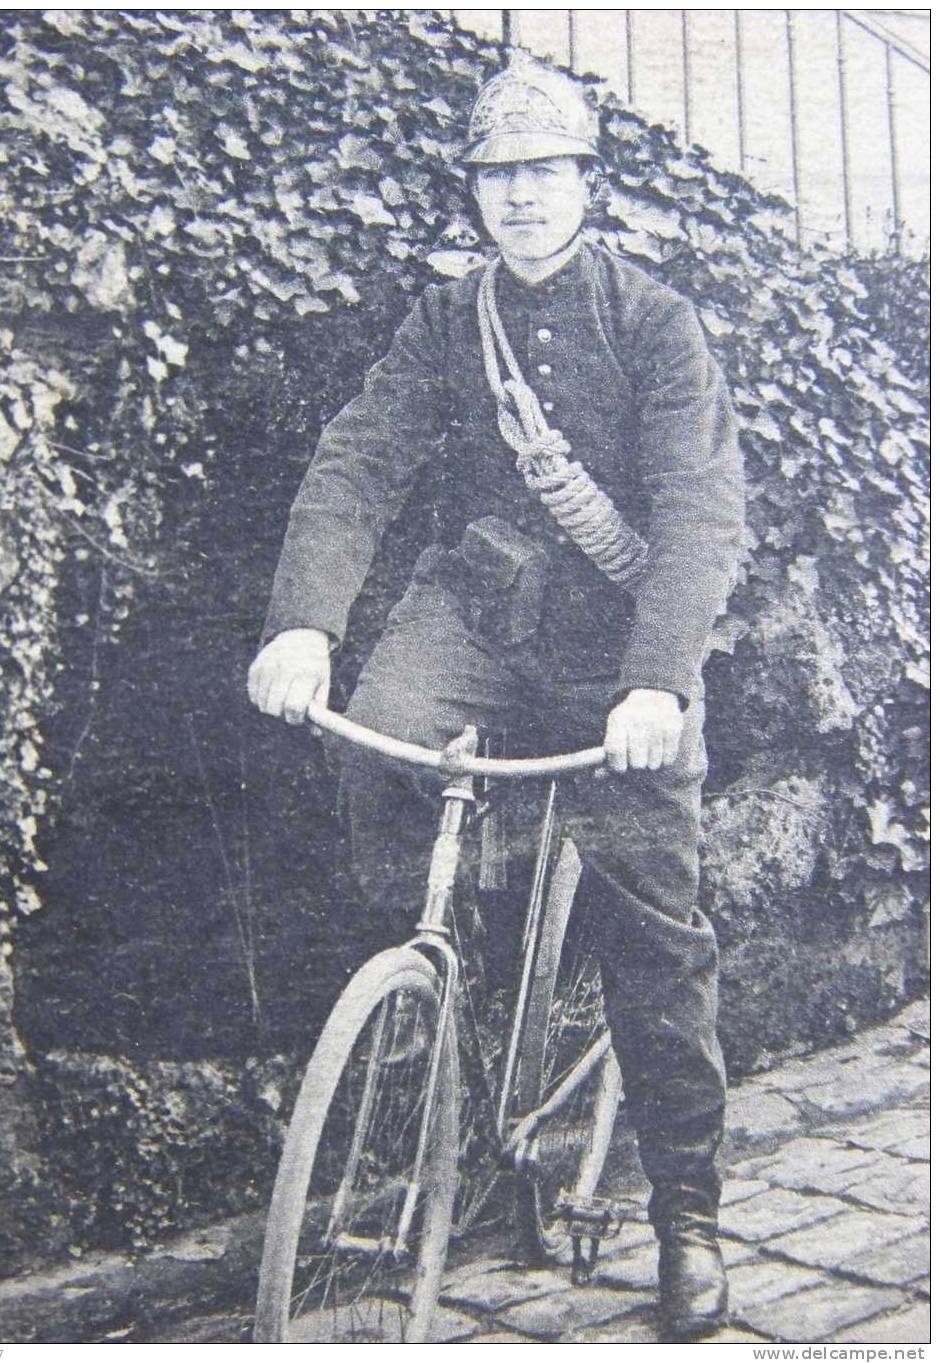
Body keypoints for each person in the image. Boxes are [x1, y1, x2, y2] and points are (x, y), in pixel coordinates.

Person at [248, 52, 745, 1340]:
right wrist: (304, 623)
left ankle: (688, 1217)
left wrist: (655, 684)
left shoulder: (654, 326)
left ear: (585, 182)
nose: (520, 196)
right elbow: (357, 462)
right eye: (497, 175)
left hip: (613, 647)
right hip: (475, 610)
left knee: (655, 932)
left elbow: (697, 518)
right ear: (473, 191)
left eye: (543, 171)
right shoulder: (443, 323)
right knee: (377, 732)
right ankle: (433, 986)